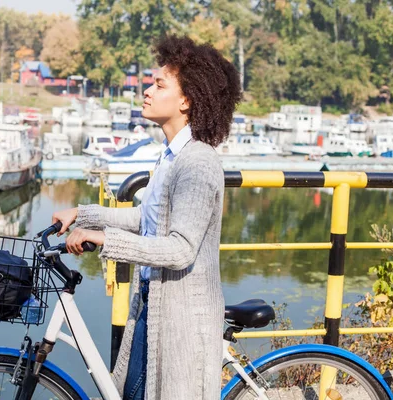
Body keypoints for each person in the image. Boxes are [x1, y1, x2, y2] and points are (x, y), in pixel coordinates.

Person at [52, 35, 242, 400]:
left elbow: (180, 250)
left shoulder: (197, 162)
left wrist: (106, 240)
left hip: (182, 318)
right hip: (153, 306)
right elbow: (146, 219)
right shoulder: (169, 156)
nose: (146, 91)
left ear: (186, 100)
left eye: (159, 85)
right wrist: (82, 214)